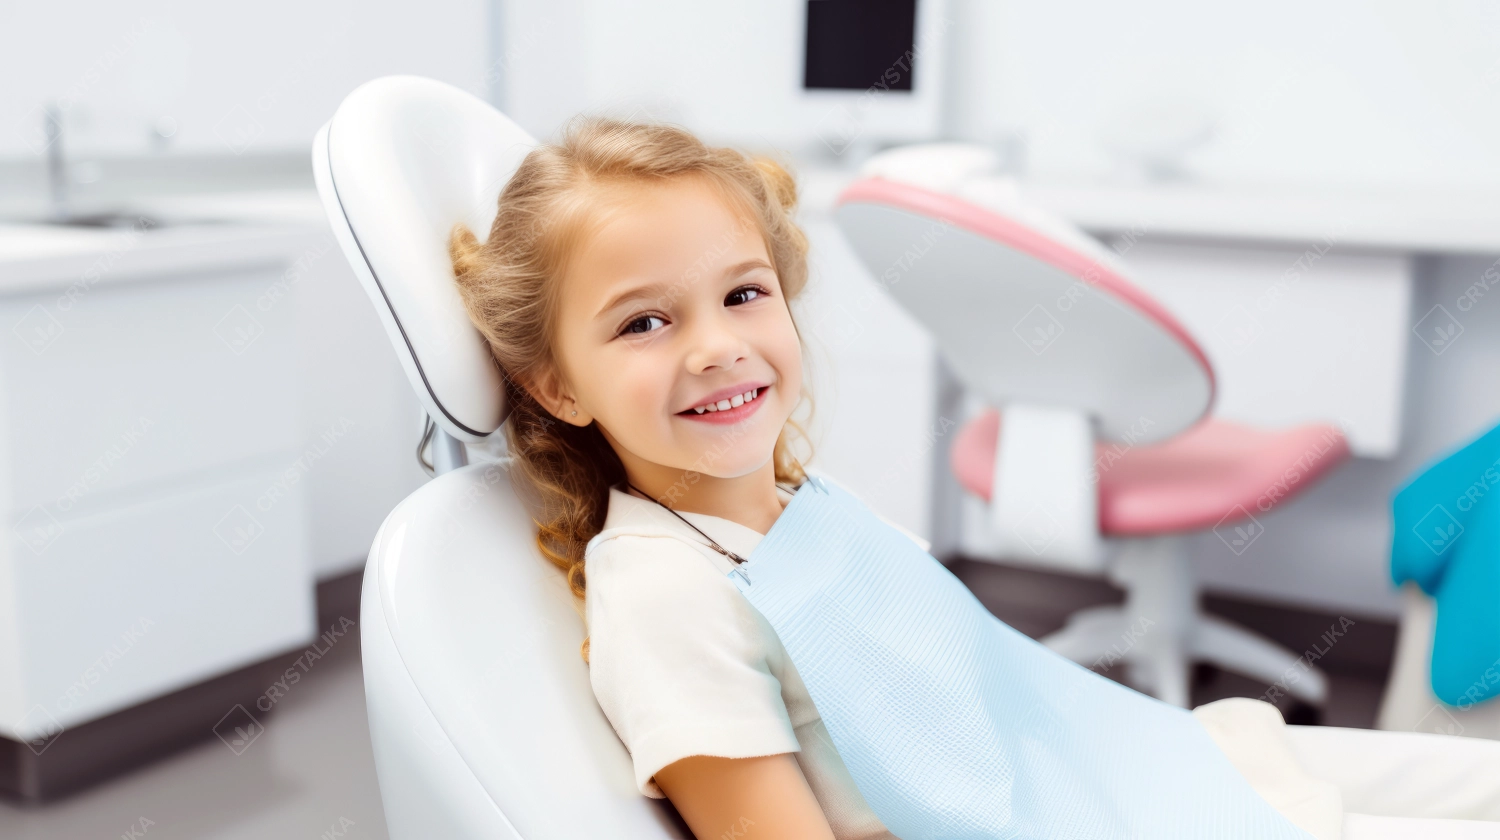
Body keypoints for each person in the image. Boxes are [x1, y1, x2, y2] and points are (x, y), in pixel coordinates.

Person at [448, 117, 1500, 839]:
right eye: (645, 321)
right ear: (556, 384)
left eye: (745, 293)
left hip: (1142, 772)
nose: (719, 346)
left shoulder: (804, 506)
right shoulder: (666, 598)